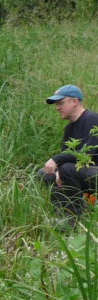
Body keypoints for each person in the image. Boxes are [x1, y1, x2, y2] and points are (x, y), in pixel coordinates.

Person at [39, 84, 98, 220]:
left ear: (74, 101)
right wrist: (57, 170)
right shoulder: (69, 129)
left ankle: (73, 218)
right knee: (46, 173)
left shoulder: (93, 119)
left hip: (94, 172)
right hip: (84, 173)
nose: (57, 107)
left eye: (60, 103)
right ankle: (62, 214)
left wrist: (56, 160)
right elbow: (67, 156)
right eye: (56, 104)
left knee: (67, 169)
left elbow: (88, 152)